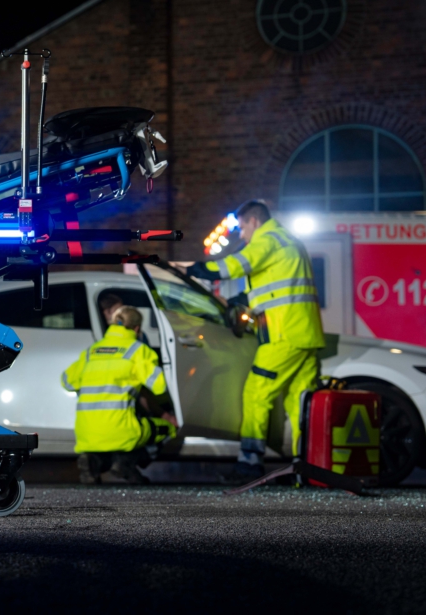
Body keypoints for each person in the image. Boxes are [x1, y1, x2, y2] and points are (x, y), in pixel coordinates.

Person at [188, 200, 324, 480]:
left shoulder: (268, 238)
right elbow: (276, 287)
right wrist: (243, 300)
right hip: (305, 334)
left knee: (256, 394)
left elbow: (239, 264)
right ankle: (307, 469)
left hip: (283, 336)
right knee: (300, 404)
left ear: (254, 221)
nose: (241, 235)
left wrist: (204, 270)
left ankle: (249, 464)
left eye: (242, 228)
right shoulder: (289, 241)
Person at [61, 305, 178, 484]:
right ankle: (125, 464)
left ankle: (94, 461)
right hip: (122, 432)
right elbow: (160, 385)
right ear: (137, 329)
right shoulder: (138, 351)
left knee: (117, 436)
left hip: (86, 433)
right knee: (168, 428)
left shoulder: (92, 351)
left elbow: (66, 381)